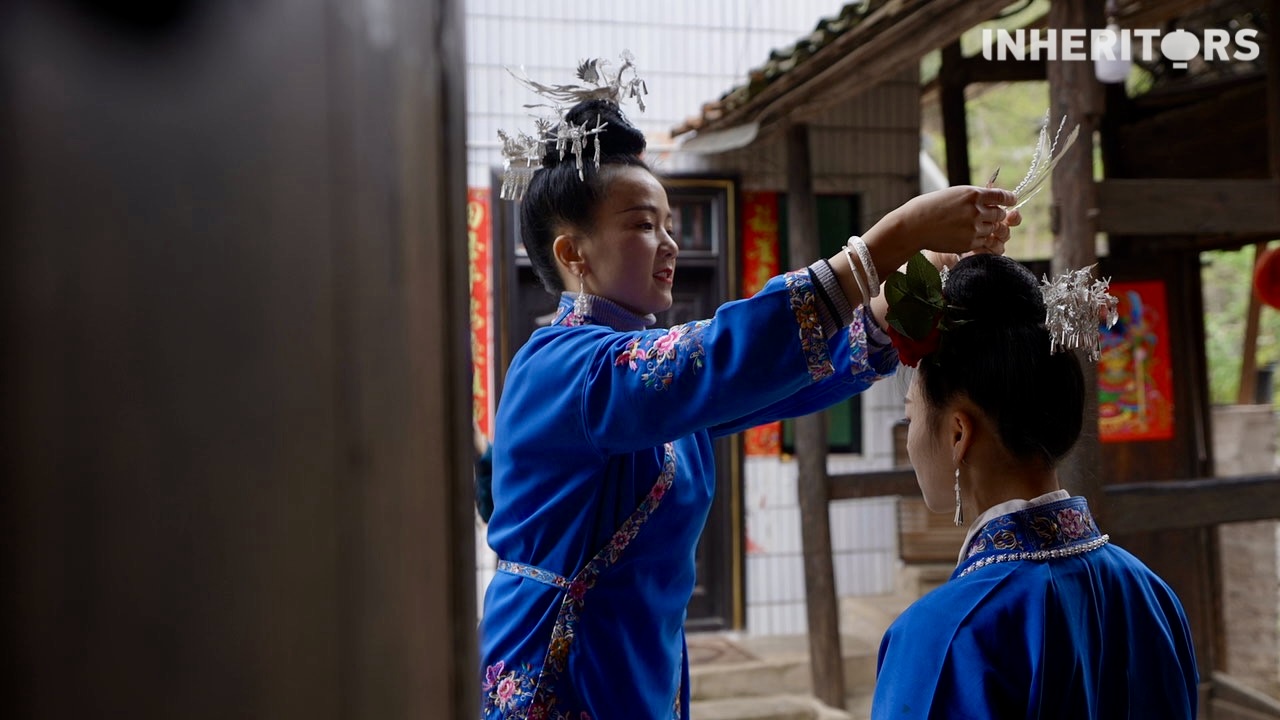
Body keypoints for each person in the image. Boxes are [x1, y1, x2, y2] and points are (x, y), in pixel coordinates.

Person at [477, 76, 1019, 718]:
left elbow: (778, 375)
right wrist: (889, 238)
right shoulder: (561, 368)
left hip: (634, 664)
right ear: (574, 253)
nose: (670, 245)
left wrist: (913, 279)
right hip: (558, 667)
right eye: (644, 225)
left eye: (669, 225)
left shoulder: (654, 381)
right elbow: (727, 353)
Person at [872, 253, 1199, 718]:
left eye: (911, 416)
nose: (909, 439)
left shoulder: (946, 635)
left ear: (958, 434)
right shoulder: (1151, 593)